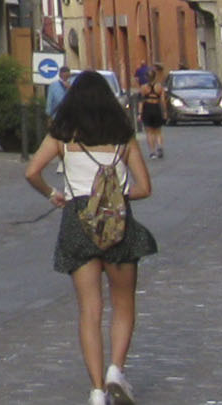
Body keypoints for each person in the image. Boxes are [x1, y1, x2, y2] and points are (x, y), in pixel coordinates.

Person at [27, 68, 159, 405]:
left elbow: (31, 172)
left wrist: (53, 194)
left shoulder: (62, 134)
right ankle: (116, 369)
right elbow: (144, 188)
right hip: (118, 224)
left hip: (77, 221)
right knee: (124, 303)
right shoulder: (123, 135)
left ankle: (97, 390)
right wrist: (114, 195)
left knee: (89, 309)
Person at [135, 63, 167, 160]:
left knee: (149, 132)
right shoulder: (159, 87)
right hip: (156, 107)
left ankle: (152, 152)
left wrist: (140, 113)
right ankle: (160, 147)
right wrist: (165, 112)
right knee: (158, 131)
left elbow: (141, 101)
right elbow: (162, 101)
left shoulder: (143, 88)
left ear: (147, 77)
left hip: (147, 108)